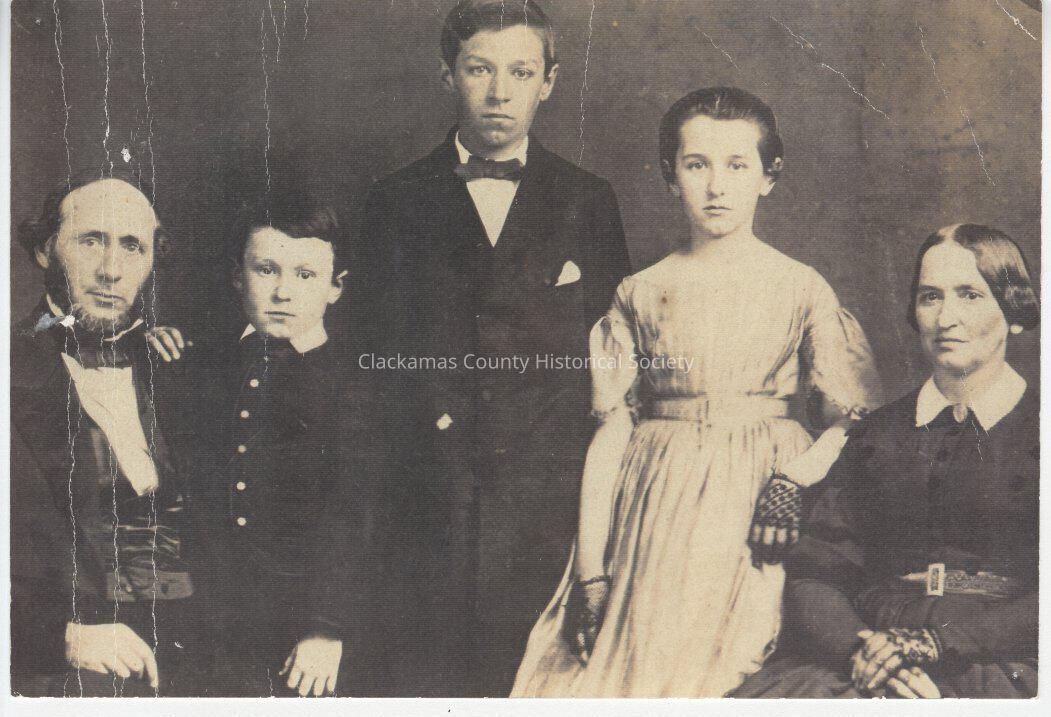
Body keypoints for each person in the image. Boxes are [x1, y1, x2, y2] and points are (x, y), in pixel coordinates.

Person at [511, 87, 884, 697]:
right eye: (696, 165)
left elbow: (854, 421)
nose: (716, 187)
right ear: (670, 176)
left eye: (737, 165)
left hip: (762, 502)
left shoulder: (801, 287)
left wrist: (795, 480)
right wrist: (591, 573)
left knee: (732, 672)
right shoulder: (638, 291)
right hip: (655, 504)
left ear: (769, 176)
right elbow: (611, 431)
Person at [351, 0, 631, 696]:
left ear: (550, 81)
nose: (500, 92)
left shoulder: (587, 199)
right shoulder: (393, 201)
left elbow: (617, 364)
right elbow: (369, 361)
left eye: (520, 72)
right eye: (479, 69)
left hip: (547, 508)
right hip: (423, 506)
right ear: (447, 75)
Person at [732, 223, 1039, 699]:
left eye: (970, 295)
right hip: (872, 652)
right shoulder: (875, 435)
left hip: (999, 653)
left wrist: (935, 644)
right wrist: (860, 652)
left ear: (1014, 312)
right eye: (930, 297)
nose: (946, 318)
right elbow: (818, 573)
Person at [179, 195, 391, 697]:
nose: (282, 292)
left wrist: (326, 627)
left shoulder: (358, 386)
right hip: (200, 619)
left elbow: (356, 513)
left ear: (336, 287)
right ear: (237, 276)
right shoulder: (198, 366)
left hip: (302, 631)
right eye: (266, 269)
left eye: (305, 275)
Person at [10, 173, 212, 696]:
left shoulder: (178, 366)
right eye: (90, 241)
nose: (111, 270)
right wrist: (61, 636)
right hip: (74, 666)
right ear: (44, 251)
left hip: (201, 650)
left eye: (132, 246)